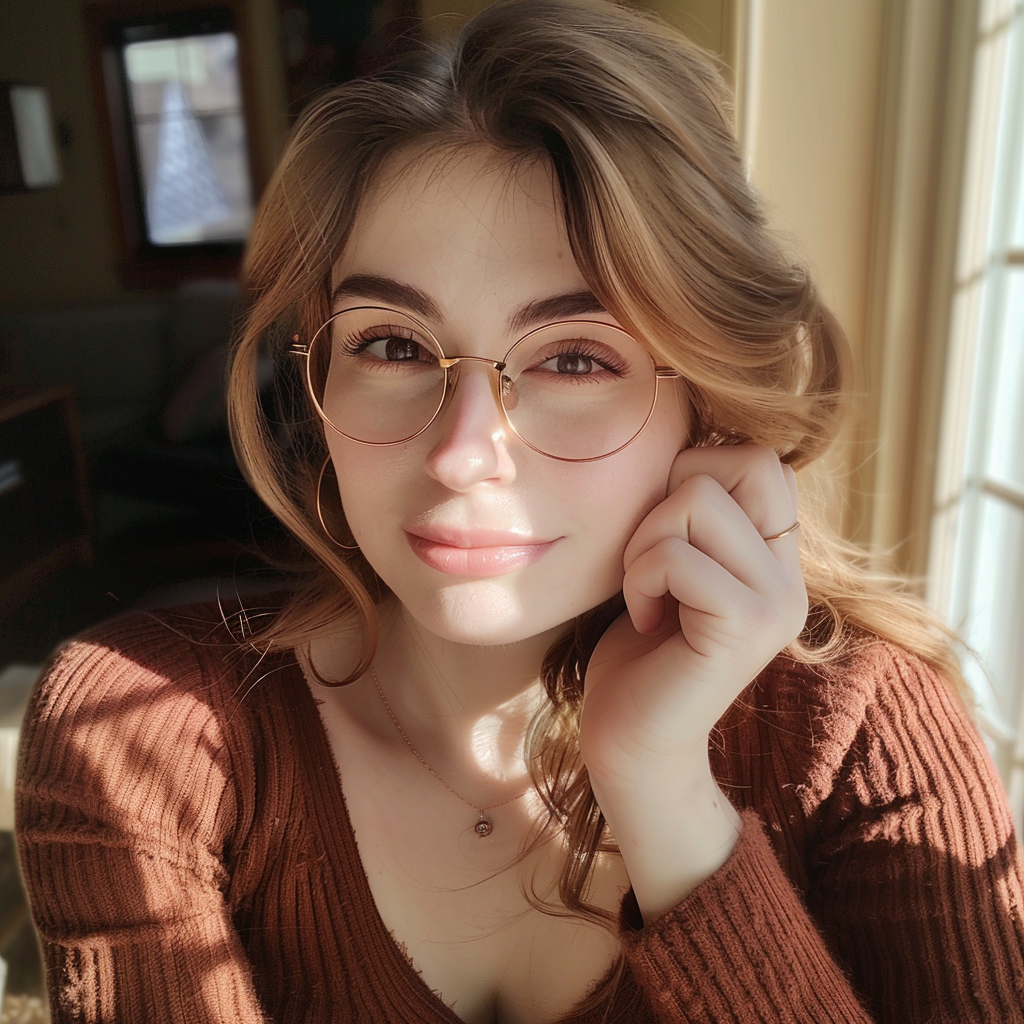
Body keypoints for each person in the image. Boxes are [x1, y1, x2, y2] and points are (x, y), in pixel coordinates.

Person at [16, 1, 1024, 1021]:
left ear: (709, 405)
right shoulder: (140, 735)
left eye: (575, 358)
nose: (462, 454)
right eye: (393, 345)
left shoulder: (865, 737)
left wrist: (663, 791)